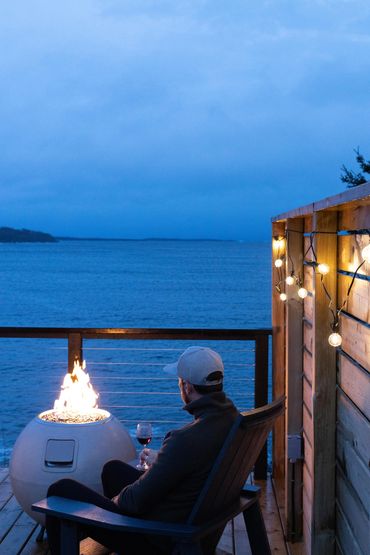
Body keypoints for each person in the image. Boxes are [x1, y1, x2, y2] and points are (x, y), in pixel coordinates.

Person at [46, 346, 239, 555]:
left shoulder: (185, 439)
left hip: (164, 539)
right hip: (192, 519)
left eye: (179, 381)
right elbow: (195, 464)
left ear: (188, 387)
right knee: (112, 470)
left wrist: (113, 503)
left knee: (61, 490)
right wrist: (164, 460)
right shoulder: (233, 421)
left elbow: (133, 502)